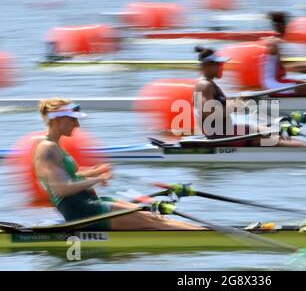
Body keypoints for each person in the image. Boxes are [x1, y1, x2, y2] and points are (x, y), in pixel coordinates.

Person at [33, 98, 202, 230]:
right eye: (73, 120)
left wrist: (94, 172)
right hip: (82, 212)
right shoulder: (47, 149)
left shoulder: (55, 146)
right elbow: (61, 188)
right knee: (157, 223)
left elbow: (70, 177)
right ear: (56, 120)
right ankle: (213, 237)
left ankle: (205, 232)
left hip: (89, 203)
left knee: (155, 216)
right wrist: (97, 179)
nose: (77, 124)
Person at [193, 47, 306, 146]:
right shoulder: (204, 85)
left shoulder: (209, 84)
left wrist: (239, 99)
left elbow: (220, 104)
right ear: (208, 65)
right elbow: (206, 112)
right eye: (218, 64)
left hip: (227, 131)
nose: (222, 66)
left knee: (272, 131)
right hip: (220, 135)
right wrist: (234, 106)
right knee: (273, 139)